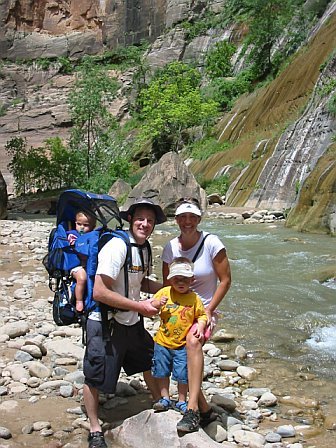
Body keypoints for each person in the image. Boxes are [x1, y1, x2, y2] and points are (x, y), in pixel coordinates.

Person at [83, 198, 167, 448]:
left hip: (131, 319)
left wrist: (168, 288)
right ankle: (95, 428)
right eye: (140, 218)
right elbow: (99, 291)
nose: (145, 224)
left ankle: (160, 402)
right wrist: (140, 306)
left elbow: (139, 283)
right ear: (130, 219)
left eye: (150, 220)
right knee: (95, 376)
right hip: (105, 322)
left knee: (151, 358)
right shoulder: (117, 247)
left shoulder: (145, 248)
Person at [162, 198, 232, 433]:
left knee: (192, 342)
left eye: (192, 217)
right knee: (179, 358)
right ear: (177, 220)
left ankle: (191, 410)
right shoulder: (170, 247)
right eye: (183, 217)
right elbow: (166, 285)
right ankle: (206, 411)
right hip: (177, 312)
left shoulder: (212, 242)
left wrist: (209, 311)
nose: (187, 222)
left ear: (199, 219)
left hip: (204, 310)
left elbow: (225, 280)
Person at [151, 257, 207, 417]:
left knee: (182, 374)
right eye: (177, 279)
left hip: (182, 344)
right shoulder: (164, 293)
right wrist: (156, 304)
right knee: (161, 371)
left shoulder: (194, 299)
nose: (180, 283)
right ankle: (165, 398)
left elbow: (202, 315)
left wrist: (201, 326)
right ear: (170, 279)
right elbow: (150, 306)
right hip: (162, 342)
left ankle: (182, 400)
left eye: (185, 279)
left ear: (192, 280)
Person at [67, 211, 96, 312]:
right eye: (79, 224)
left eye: (86, 225)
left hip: (90, 263)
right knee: (82, 278)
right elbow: (78, 249)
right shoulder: (72, 236)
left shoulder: (94, 236)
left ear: (93, 227)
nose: (82, 227)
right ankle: (79, 300)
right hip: (75, 264)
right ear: (75, 223)